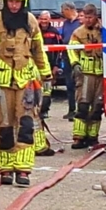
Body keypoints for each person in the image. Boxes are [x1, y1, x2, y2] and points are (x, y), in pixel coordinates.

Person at [0, 0, 53, 186]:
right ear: (5, 1)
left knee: (26, 125)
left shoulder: (31, 21)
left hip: (26, 81)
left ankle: (23, 170)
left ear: (24, 2)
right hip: (2, 83)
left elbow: (39, 51)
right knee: (4, 126)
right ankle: (5, 169)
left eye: (18, 2)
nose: (14, 5)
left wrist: (46, 76)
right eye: (10, 1)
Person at [67, 3, 105, 149]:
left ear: (96, 16)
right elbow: (71, 49)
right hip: (85, 73)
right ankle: (78, 137)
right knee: (83, 106)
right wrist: (75, 64)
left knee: (97, 107)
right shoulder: (78, 32)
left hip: (100, 73)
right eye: (86, 17)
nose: (88, 20)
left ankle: (92, 136)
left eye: (90, 17)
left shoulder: (103, 31)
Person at [34, 11, 62, 157]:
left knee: (44, 102)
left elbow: (58, 52)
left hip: (48, 71)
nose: (44, 21)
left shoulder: (54, 33)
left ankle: (44, 113)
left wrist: (55, 68)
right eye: (42, 19)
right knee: (33, 108)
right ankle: (38, 143)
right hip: (34, 73)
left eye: (46, 19)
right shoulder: (34, 32)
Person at [58, 2, 81, 121]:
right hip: (67, 57)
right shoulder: (66, 24)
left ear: (68, 10)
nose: (62, 14)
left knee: (79, 85)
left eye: (63, 11)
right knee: (69, 85)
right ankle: (71, 110)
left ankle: (80, 110)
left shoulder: (80, 23)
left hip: (78, 58)